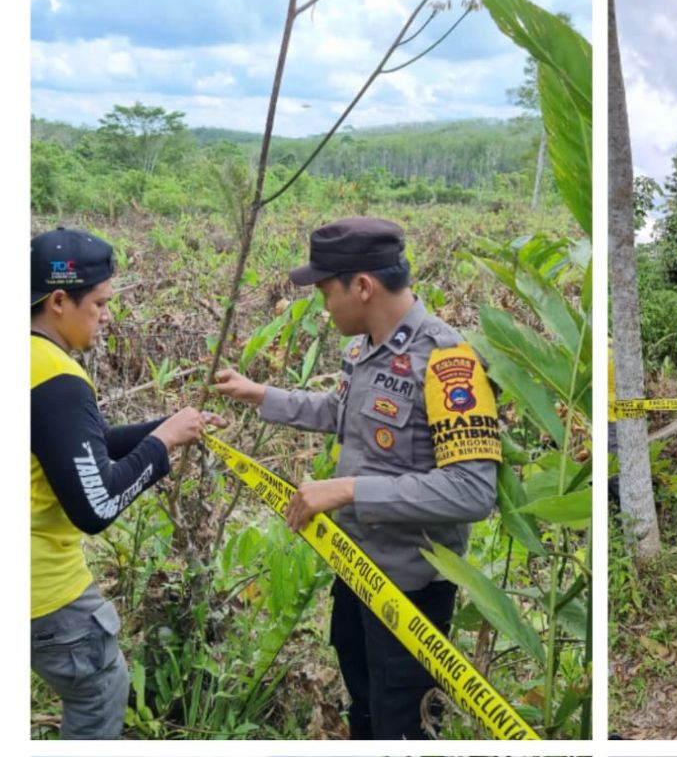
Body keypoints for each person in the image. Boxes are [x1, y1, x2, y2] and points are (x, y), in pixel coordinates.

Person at [214, 217, 499, 740]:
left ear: (362, 286)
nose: (325, 307)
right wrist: (260, 395)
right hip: (356, 568)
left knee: (402, 725)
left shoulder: (446, 361)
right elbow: (343, 412)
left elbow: (472, 490)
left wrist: (347, 489)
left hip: (411, 589)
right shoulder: (365, 347)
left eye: (326, 292)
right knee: (364, 709)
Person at [30, 227, 222, 739]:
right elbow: (97, 503)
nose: (107, 316)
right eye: (100, 303)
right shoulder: (56, 377)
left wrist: (167, 428)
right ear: (58, 301)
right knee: (99, 689)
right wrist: (160, 449)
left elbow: (73, 449)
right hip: (43, 589)